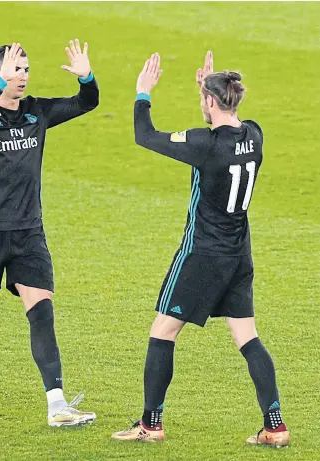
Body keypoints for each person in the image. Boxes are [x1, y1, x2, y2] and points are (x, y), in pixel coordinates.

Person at [111, 52, 289, 447]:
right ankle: (275, 425)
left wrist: (143, 92)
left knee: (163, 331)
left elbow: (145, 135)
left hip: (202, 253)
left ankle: (150, 424)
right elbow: (231, 123)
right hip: (239, 254)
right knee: (248, 337)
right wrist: (209, 88)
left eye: (204, 100)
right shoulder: (254, 135)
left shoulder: (204, 144)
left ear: (211, 102)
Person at [0, 41, 99, 427]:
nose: (23, 76)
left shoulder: (37, 112)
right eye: (16, 69)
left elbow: (86, 103)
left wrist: (86, 77)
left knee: (41, 311)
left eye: (26, 69)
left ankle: (56, 405)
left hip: (29, 231)